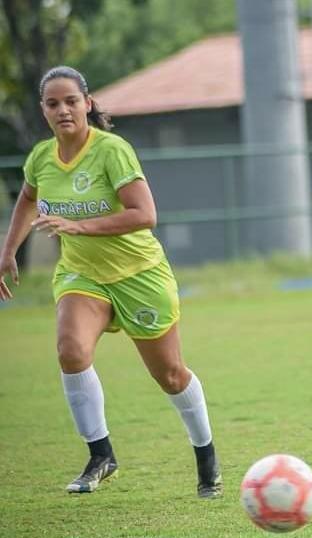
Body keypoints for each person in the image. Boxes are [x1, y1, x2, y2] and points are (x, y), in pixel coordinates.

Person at [0, 66, 222, 498]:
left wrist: (81, 226)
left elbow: (145, 215)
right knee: (71, 350)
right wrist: (8, 251)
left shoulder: (112, 150)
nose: (62, 110)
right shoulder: (41, 158)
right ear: (43, 110)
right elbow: (27, 199)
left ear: (88, 103)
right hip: (83, 275)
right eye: (52, 103)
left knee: (171, 375)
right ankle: (101, 455)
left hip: (139, 275)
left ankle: (206, 455)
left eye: (70, 101)